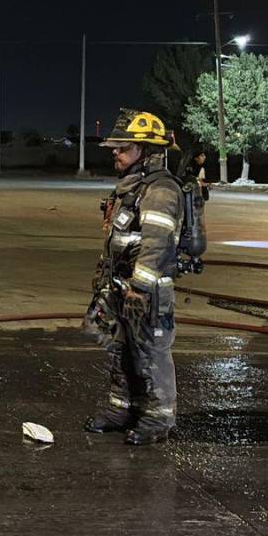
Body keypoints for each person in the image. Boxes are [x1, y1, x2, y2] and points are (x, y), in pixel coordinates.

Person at [84, 110, 183, 445]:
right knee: (120, 349)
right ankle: (121, 409)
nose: (116, 152)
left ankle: (158, 419)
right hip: (120, 288)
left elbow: (156, 243)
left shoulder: (161, 190)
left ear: (146, 151)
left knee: (151, 353)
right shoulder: (131, 187)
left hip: (147, 291)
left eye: (124, 147)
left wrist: (140, 286)